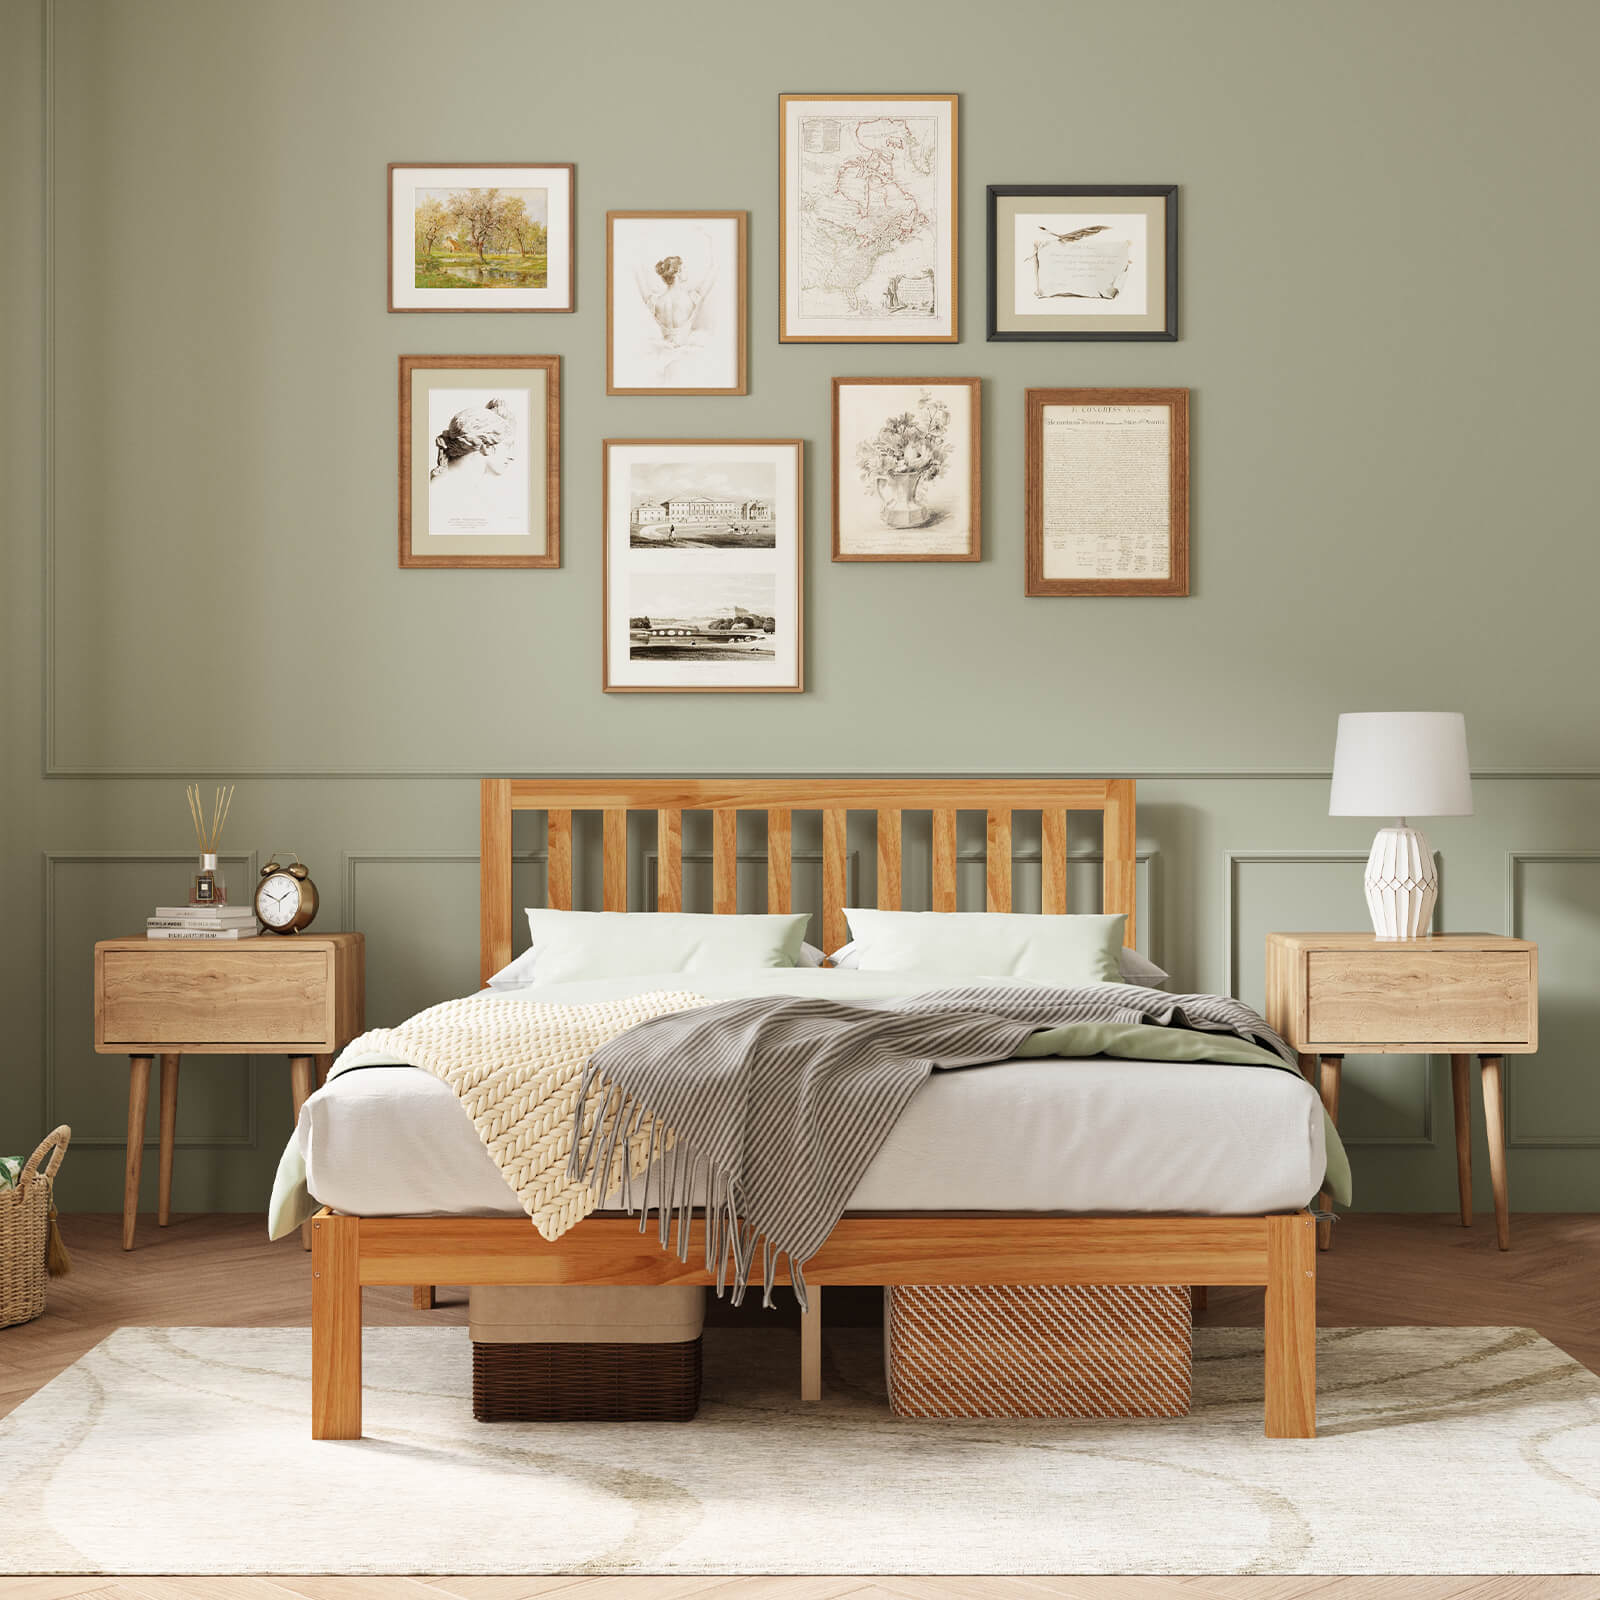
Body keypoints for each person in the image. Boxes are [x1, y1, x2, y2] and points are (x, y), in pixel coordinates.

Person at [428, 397, 520, 534]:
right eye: (507, 446)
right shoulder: (452, 498)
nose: (513, 456)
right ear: (486, 447)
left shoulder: (458, 492)